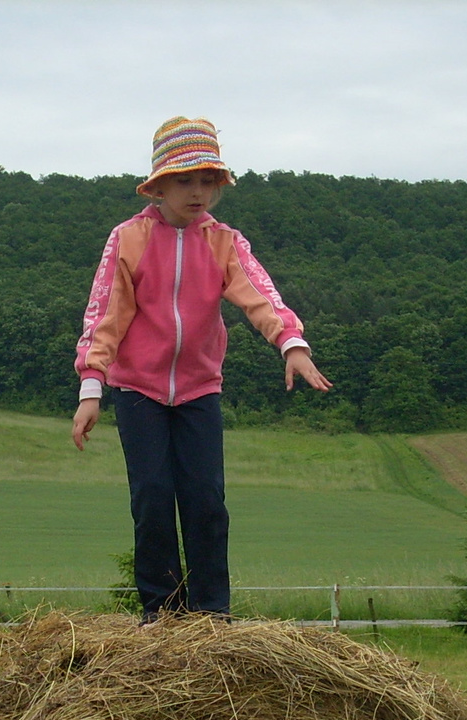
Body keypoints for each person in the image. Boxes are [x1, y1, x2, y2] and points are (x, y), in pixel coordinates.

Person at [71, 116, 331, 620]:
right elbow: (105, 314)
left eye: (208, 181)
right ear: (160, 184)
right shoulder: (128, 239)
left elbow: (260, 295)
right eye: (185, 181)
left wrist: (291, 343)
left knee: (206, 500)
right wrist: (91, 388)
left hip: (199, 390)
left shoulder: (224, 242)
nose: (198, 193)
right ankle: (162, 613)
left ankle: (213, 614)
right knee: (152, 498)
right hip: (137, 389)